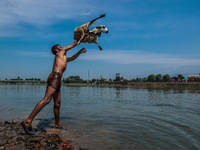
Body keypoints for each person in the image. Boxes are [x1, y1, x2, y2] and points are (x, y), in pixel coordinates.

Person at [21, 40, 86, 135]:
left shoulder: (62, 57)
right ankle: (27, 122)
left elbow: (72, 58)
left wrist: (80, 52)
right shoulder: (60, 52)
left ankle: (57, 124)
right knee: (47, 100)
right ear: (57, 49)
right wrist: (79, 39)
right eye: (60, 46)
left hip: (58, 79)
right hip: (55, 77)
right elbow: (73, 44)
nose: (62, 47)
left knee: (57, 103)